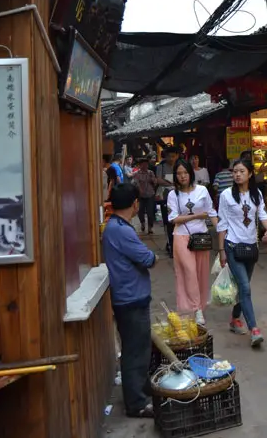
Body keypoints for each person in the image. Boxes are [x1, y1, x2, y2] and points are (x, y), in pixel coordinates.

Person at [102, 183, 157, 419]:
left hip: (130, 295)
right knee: (135, 351)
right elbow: (148, 258)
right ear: (135, 203)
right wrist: (151, 255)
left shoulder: (116, 226)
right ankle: (136, 403)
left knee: (139, 348)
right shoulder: (121, 230)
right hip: (130, 297)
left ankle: (141, 390)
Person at [216, 158, 267, 347]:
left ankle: (234, 319)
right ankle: (254, 329)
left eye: (241, 171)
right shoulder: (226, 195)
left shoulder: (256, 193)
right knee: (245, 287)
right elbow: (222, 223)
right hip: (232, 246)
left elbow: (262, 214)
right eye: (235, 171)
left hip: (251, 247)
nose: (237, 174)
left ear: (250, 173)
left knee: (244, 287)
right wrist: (221, 250)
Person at [168, 158, 217, 326]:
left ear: (191, 173)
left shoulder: (202, 190)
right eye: (178, 173)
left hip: (201, 237)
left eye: (185, 173)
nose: (182, 176)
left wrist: (222, 234)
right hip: (181, 236)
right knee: (188, 272)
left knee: (201, 273)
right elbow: (174, 219)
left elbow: (211, 212)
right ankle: (196, 310)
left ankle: (200, 305)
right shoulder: (173, 194)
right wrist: (196, 216)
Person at [156, 147, 179, 256]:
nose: (171, 158)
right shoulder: (161, 166)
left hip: (179, 197)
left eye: (173, 156)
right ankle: (171, 245)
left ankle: (173, 244)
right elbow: (158, 180)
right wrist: (172, 184)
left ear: (177, 156)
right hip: (165, 197)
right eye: (169, 156)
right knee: (168, 222)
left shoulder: (179, 166)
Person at [132, 157, 158, 234]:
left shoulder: (150, 172)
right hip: (141, 196)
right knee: (140, 211)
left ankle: (150, 227)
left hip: (150, 194)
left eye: (146, 164)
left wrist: (153, 180)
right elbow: (136, 183)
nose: (145, 166)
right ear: (140, 165)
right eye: (143, 164)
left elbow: (155, 182)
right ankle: (142, 223)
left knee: (150, 212)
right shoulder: (137, 174)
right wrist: (140, 190)